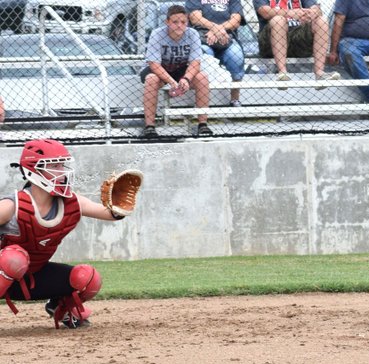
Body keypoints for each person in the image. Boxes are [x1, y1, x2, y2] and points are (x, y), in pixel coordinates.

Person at [0, 139, 131, 329]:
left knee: (88, 278)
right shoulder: (12, 206)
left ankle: (59, 308)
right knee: (14, 258)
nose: (61, 172)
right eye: (54, 166)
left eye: (62, 165)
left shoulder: (71, 202)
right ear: (33, 170)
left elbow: (110, 213)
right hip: (5, 269)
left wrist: (120, 203)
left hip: (31, 276)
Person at [141, 4, 212, 138]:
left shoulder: (192, 34)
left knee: (202, 77)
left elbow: (195, 62)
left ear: (187, 22)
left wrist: (186, 79)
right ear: (167, 22)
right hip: (161, 69)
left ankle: (203, 124)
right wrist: (171, 82)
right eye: (175, 22)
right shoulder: (157, 34)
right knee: (151, 79)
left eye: (183, 22)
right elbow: (154, 64)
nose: (179, 25)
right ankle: (149, 126)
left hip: (181, 69)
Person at [253, 0, 340, 85]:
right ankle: (282, 73)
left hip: (297, 38)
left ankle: (319, 73)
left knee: (321, 21)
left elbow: (316, 9)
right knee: (278, 20)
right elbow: (264, 11)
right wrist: (290, 13)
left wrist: (313, 12)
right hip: (271, 41)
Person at [186, 0, 246, 107]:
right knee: (205, 54)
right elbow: (195, 18)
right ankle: (203, 100)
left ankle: (235, 99)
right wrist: (215, 28)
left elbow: (236, 20)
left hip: (227, 37)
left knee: (236, 55)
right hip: (203, 36)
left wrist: (218, 30)